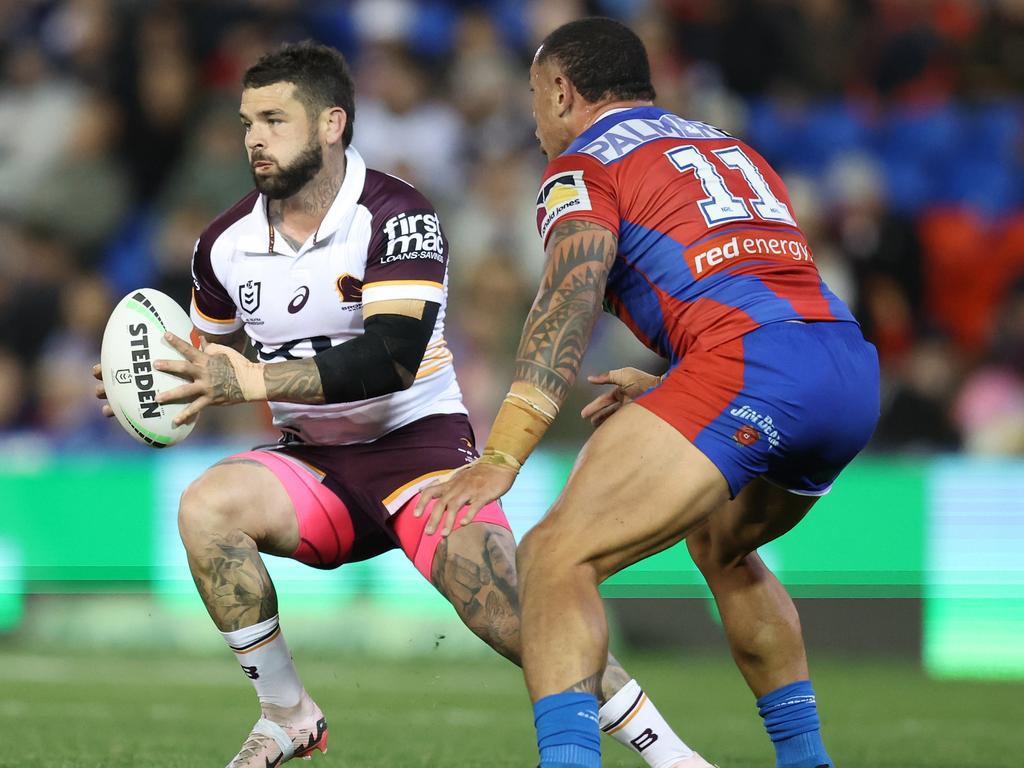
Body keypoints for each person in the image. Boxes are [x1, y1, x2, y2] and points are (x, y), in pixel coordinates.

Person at [93, 41, 711, 768]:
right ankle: (288, 714)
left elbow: (390, 358)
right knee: (206, 507)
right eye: (246, 121)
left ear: (331, 123)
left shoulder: (396, 214)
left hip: (421, 455)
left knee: (516, 615)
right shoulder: (221, 246)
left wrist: (252, 383)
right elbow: (209, 363)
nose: (255, 137)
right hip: (315, 469)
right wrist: (162, 388)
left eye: (274, 118)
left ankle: (674, 757)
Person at [416, 17, 880, 768]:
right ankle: (807, 761)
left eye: (535, 96)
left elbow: (567, 301)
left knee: (553, 559)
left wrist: (502, 453)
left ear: (562, 92)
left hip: (748, 368)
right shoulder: (729, 147)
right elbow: (755, 281)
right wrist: (676, 378)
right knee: (722, 544)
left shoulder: (581, 163)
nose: (535, 118)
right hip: (846, 369)